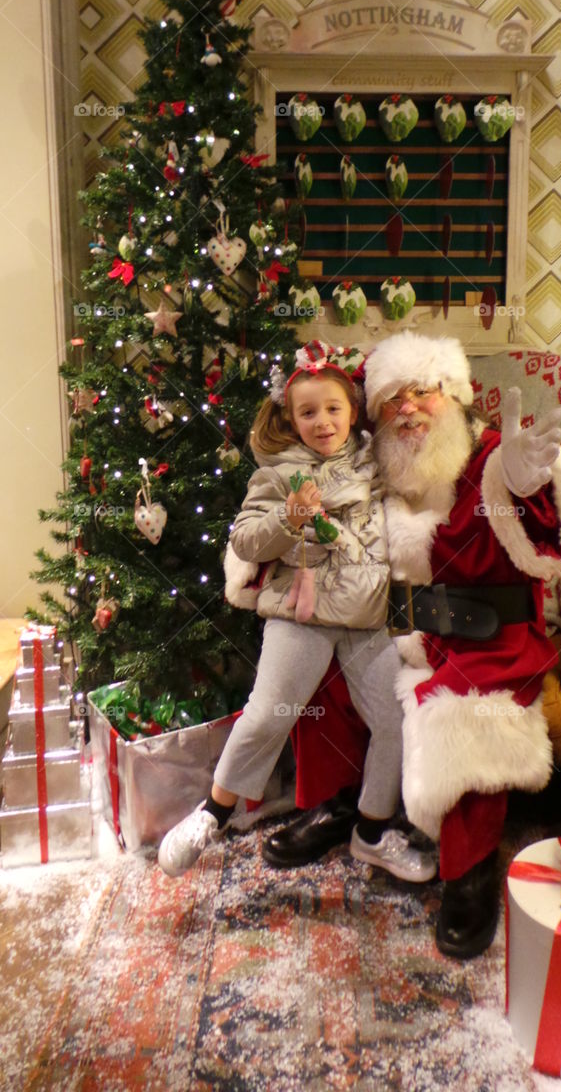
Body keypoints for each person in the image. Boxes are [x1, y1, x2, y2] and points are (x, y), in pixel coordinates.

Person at [261, 332, 561, 958]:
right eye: (392, 399)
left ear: (455, 395)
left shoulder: (497, 455)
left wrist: (529, 486)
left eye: (423, 393)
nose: (408, 408)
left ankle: (469, 872)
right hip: (393, 624)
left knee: (462, 716)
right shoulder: (371, 465)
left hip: (486, 636)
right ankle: (343, 809)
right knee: (324, 676)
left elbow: (553, 538)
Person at [158, 340, 435, 884]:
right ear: (291, 419)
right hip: (300, 614)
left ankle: (374, 831)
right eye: (308, 412)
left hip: (366, 617)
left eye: (333, 408)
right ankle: (213, 811)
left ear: (352, 411)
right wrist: (287, 519)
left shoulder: (375, 461)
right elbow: (244, 540)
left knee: (397, 719)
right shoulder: (277, 473)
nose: (322, 421)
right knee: (268, 714)